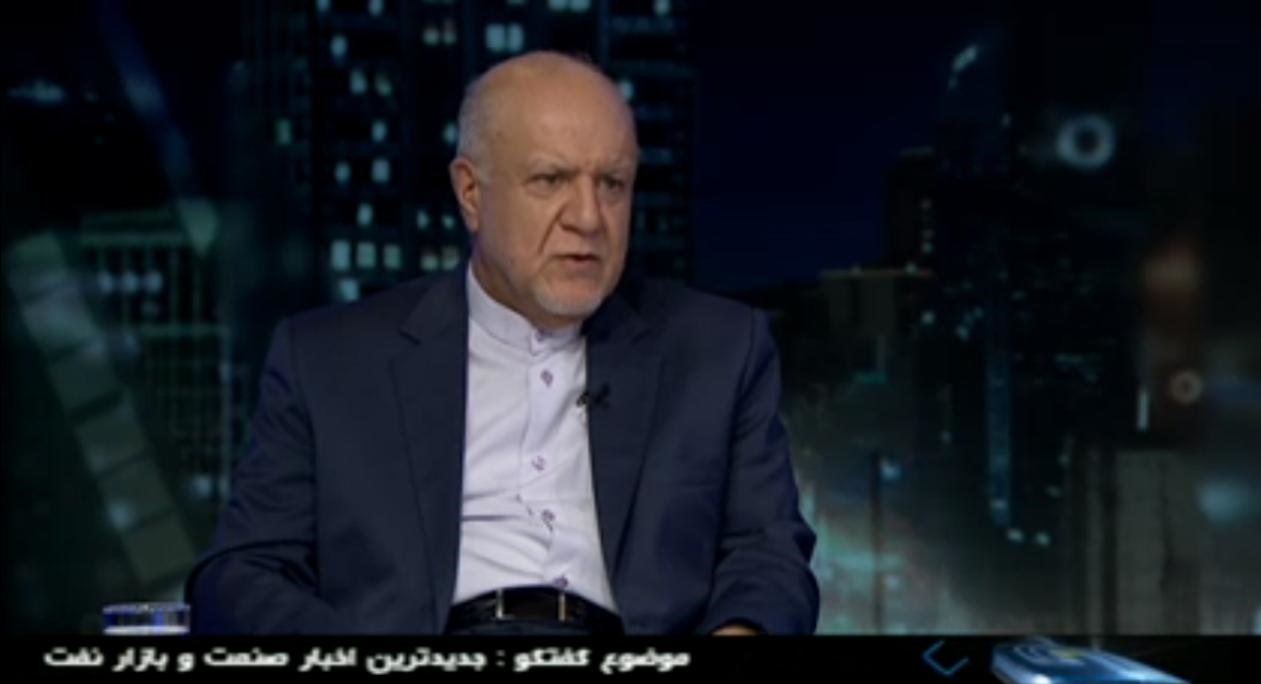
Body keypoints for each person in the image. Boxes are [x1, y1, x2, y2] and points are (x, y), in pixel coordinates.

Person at [186, 50, 818, 636]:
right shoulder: (327, 360)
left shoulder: (718, 350)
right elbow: (240, 573)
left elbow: (769, 556)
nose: (588, 218)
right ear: (471, 193)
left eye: (612, 184)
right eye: (550, 180)